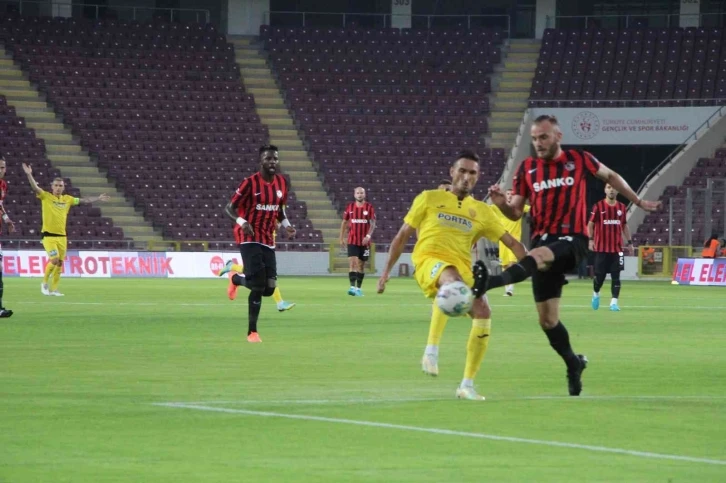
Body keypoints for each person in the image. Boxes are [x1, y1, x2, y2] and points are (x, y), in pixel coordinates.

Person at [480, 115, 660, 396]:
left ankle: (490, 282)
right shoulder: (527, 169)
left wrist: (636, 200)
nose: (538, 143)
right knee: (548, 321)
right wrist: (502, 204)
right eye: (534, 139)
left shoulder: (579, 159)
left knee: (538, 255)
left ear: (558, 136)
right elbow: (515, 212)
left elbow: (611, 176)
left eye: (544, 137)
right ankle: (573, 363)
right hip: (543, 242)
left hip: (573, 241)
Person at [377, 150, 527, 400]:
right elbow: (402, 235)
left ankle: (467, 385)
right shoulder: (429, 198)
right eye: (462, 171)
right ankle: (431, 350)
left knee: (483, 310)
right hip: (429, 260)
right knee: (452, 281)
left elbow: (511, 243)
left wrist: (536, 265)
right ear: (452, 172)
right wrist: (385, 272)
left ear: (478, 177)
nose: (466, 177)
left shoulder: (482, 211)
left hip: (462, 268)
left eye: (472, 173)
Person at [223, 145, 296, 343]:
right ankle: (252, 332)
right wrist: (242, 222)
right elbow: (229, 208)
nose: (272, 162)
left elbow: (279, 211)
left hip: (268, 238)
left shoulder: (282, 183)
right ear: (261, 161)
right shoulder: (249, 183)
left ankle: (235, 278)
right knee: (257, 285)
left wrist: (287, 226)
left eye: (275, 159)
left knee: (269, 289)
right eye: (268, 158)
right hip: (248, 237)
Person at [22, 163, 110, 296]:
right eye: (56, 185)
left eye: (60, 186)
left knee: (59, 263)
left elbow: (84, 201)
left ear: (63, 187)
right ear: (52, 186)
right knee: (54, 260)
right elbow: (35, 187)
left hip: (62, 236)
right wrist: (29, 174)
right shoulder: (46, 196)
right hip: (48, 236)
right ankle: (44, 283)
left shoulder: (68, 199)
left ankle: (54, 289)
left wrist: (97, 198)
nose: (58, 188)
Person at [588, 183, 634, 312]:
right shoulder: (598, 206)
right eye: (609, 187)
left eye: (614, 188)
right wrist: (591, 240)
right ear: (605, 190)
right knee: (599, 278)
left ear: (618, 191)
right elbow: (590, 224)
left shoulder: (622, 207)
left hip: (617, 249)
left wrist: (630, 242)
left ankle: (614, 303)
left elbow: (624, 225)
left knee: (616, 276)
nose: (611, 190)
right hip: (601, 249)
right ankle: (596, 293)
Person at [491, 189, 530, 296]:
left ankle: (510, 289)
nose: (509, 196)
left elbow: (532, 208)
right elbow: (484, 208)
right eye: (508, 194)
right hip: (503, 240)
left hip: (515, 240)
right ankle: (507, 288)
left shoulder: (518, 207)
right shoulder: (497, 207)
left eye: (512, 194)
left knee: (512, 263)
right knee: (505, 265)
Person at [339, 187, 376, 296]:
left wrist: (368, 236)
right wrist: (341, 238)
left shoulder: (369, 207)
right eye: (358, 193)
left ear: (365, 194)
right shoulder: (350, 207)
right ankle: (352, 288)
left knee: (361, 265)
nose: (360, 194)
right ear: (354, 195)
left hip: (365, 242)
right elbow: (344, 222)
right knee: (352, 263)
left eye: (361, 193)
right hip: (352, 240)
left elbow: (373, 223)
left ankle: (358, 289)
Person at [0, 156, 16, 317]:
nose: (1, 170)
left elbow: (0, 205)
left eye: (3, 167)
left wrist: (7, 220)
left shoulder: (3, 185)